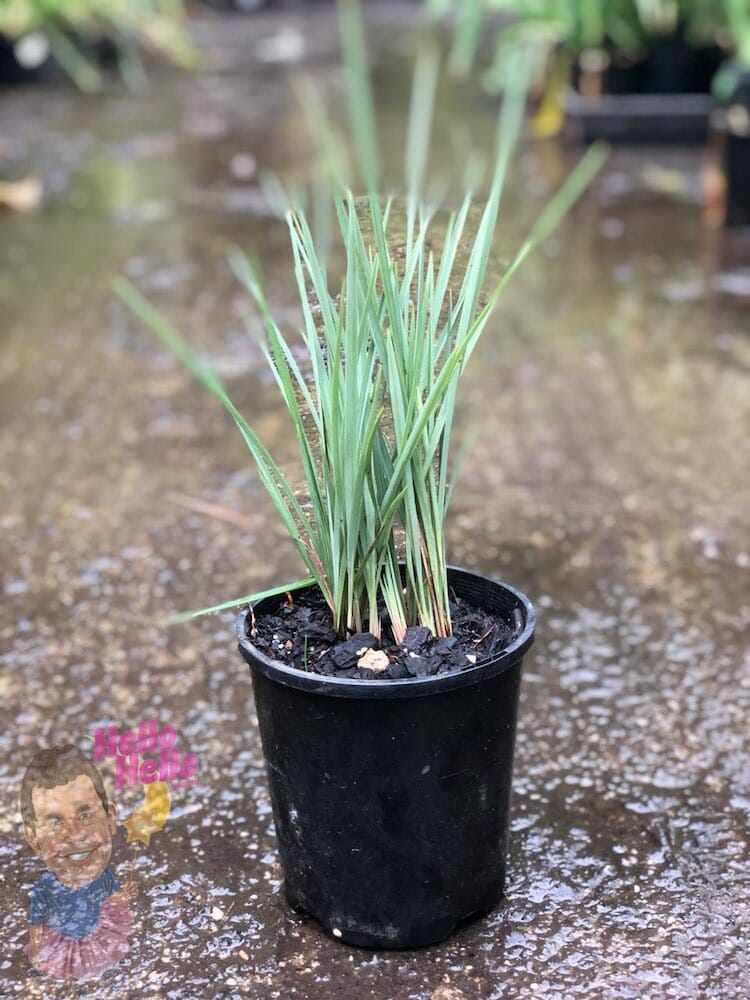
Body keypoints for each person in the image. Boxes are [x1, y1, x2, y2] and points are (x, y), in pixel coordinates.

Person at [20, 744, 138, 980]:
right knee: (65, 971)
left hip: (94, 932)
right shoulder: (44, 888)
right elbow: (36, 923)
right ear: (33, 838)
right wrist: (37, 949)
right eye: (55, 823)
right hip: (62, 939)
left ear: (110, 818)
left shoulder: (104, 875)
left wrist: (123, 896)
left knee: (97, 965)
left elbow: (108, 899)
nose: (74, 835)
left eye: (85, 815)